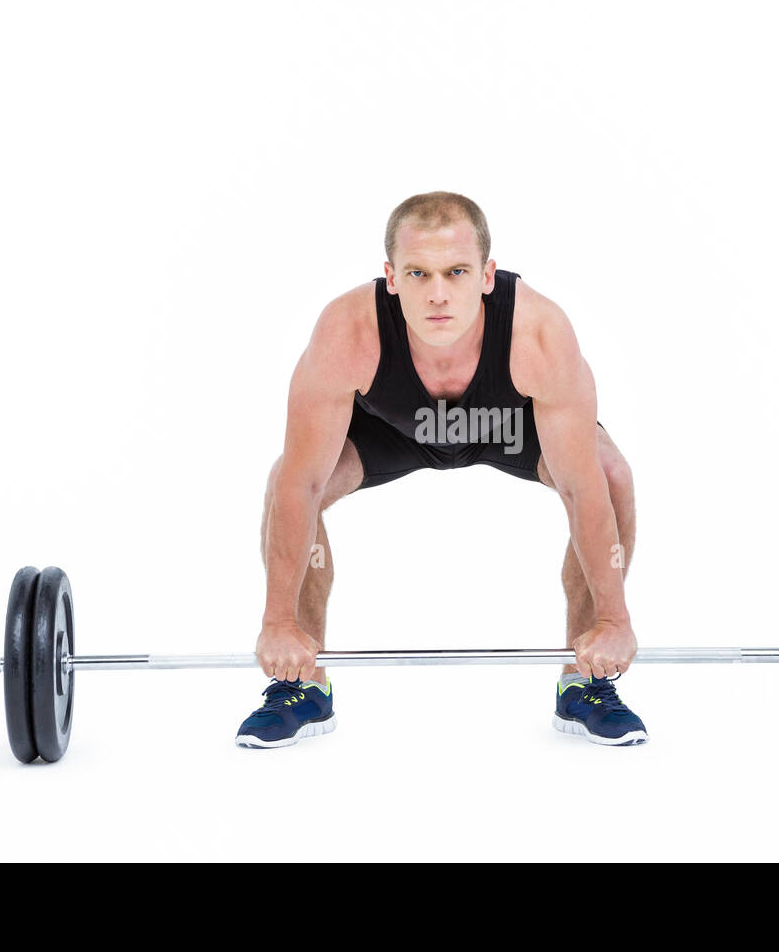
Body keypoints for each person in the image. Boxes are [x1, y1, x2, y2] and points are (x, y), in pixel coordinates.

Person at [236, 191, 644, 748]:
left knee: (610, 473)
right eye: (418, 273)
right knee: (292, 474)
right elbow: (299, 485)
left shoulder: (539, 335)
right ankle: (299, 685)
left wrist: (617, 622)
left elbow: (580, 485)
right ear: (391, 278)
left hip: (509, 422)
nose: (437, 293)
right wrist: (277, 622)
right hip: (393, 429)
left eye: (456, 271)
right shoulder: (346, 333)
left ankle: (588, 683)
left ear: (486, 274)